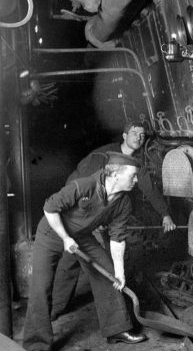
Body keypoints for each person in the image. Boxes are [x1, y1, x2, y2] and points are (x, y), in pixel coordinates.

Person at [23, 151, 148, 351]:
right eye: (133, 176)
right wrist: (64, 238)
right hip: (51, 233)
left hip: (81, 236)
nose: (136, 180)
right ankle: (37, 343)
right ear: (115, 175)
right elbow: (50, 208)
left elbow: (117, 239)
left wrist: (119, 272)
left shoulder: (123, 202)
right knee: (41, 285)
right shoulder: (84, 186)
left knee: (108, 275)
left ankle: (117, 329)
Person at [49, 119, 176, 322]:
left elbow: (149, 190)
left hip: (101, 216)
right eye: (135, 133)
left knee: (102, 265)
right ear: (124, 136)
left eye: (142, 135)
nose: (139, 138)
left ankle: (116, 319)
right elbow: (77, 183)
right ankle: (56, 308)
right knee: (70, 260)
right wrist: (86, 212)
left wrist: (165, 214)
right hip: (77, 213)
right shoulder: (102, 156)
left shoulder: (136, 164)